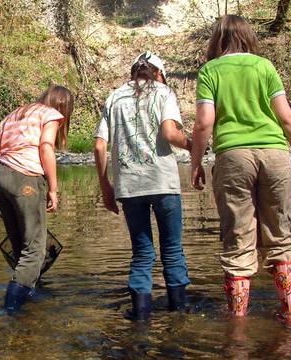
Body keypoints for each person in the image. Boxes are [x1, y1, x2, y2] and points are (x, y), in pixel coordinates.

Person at [190, 15, 291, 326]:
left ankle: (238, 326)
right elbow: (286, 117)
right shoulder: (264, 67)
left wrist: (196, 163)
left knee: (238, 241)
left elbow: (204, 123)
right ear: (248, 37)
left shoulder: (210, 71)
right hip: (274, 154)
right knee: (280, 238)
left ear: (217, 40)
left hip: (233, 156)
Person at [94, 51, 192, 321]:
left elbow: (99, 145)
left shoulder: (114, 96)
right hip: (162, 181)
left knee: (142, 253)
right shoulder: (163, 92)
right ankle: (179, 314)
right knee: (171, 250)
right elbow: (171, 133)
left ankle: (140, 316)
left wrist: (106, 188)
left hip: (129, 185)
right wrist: (194, 147)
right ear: (158, 74)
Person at [0, 85, 74, 313]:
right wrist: (53, 187)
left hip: (1, 177)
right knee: (34, 251)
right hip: (26, 178)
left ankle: (27, 297)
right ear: (63, 106)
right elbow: (45, 147)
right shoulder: (51, 114)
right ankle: (11, 308)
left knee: (20, 246)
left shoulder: (16, 114)